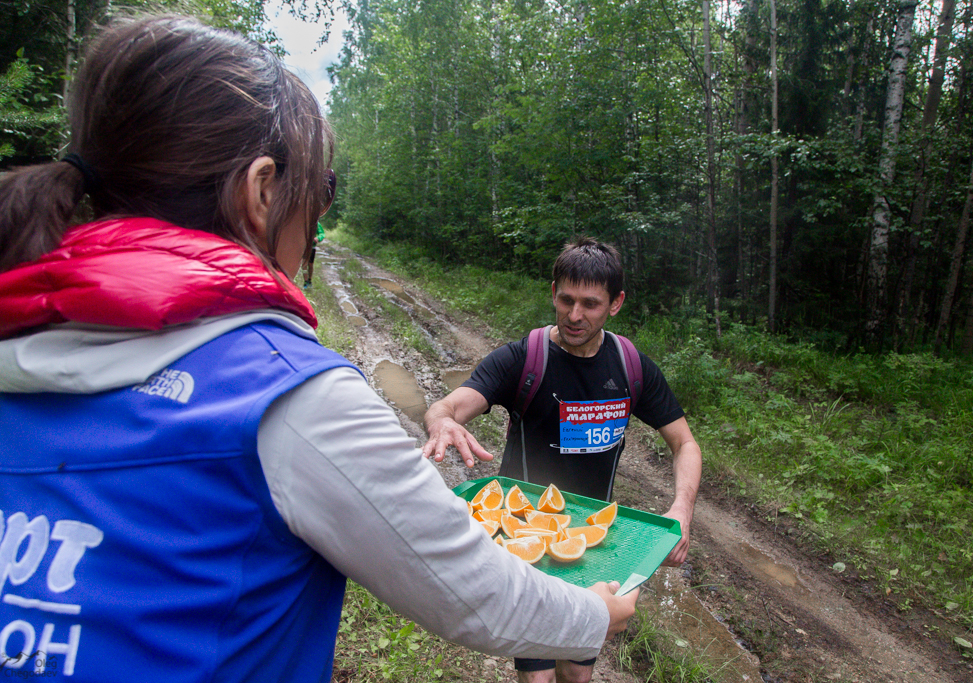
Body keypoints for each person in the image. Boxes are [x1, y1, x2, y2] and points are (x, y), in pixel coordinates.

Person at [0, 17, 637, 682]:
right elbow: (470, 588)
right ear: (263, 190)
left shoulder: (17, 330)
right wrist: (594, 616)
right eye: (320, 194)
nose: (319, 228)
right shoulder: (289, 393)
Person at [423, 237, 702, 683]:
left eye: (591, 304)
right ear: (553, 291)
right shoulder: (522, 360)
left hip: (592, 548)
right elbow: (449, 406)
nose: (575, 315)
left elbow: (685, 443)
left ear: (616, 304)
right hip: (526, 547)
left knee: (577, 672)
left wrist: (681, 510)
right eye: (566, 300)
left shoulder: (631, 367)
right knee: (538, 678)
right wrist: (441, 422)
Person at [302, 220, 326, 289]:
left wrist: (318, 238)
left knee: (310, 264)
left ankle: (309, 280)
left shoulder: (316, 223)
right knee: (304, 264)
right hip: (303, 247)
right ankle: (305, 281)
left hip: (312, 247)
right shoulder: (302, 222)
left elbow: (322, 233)